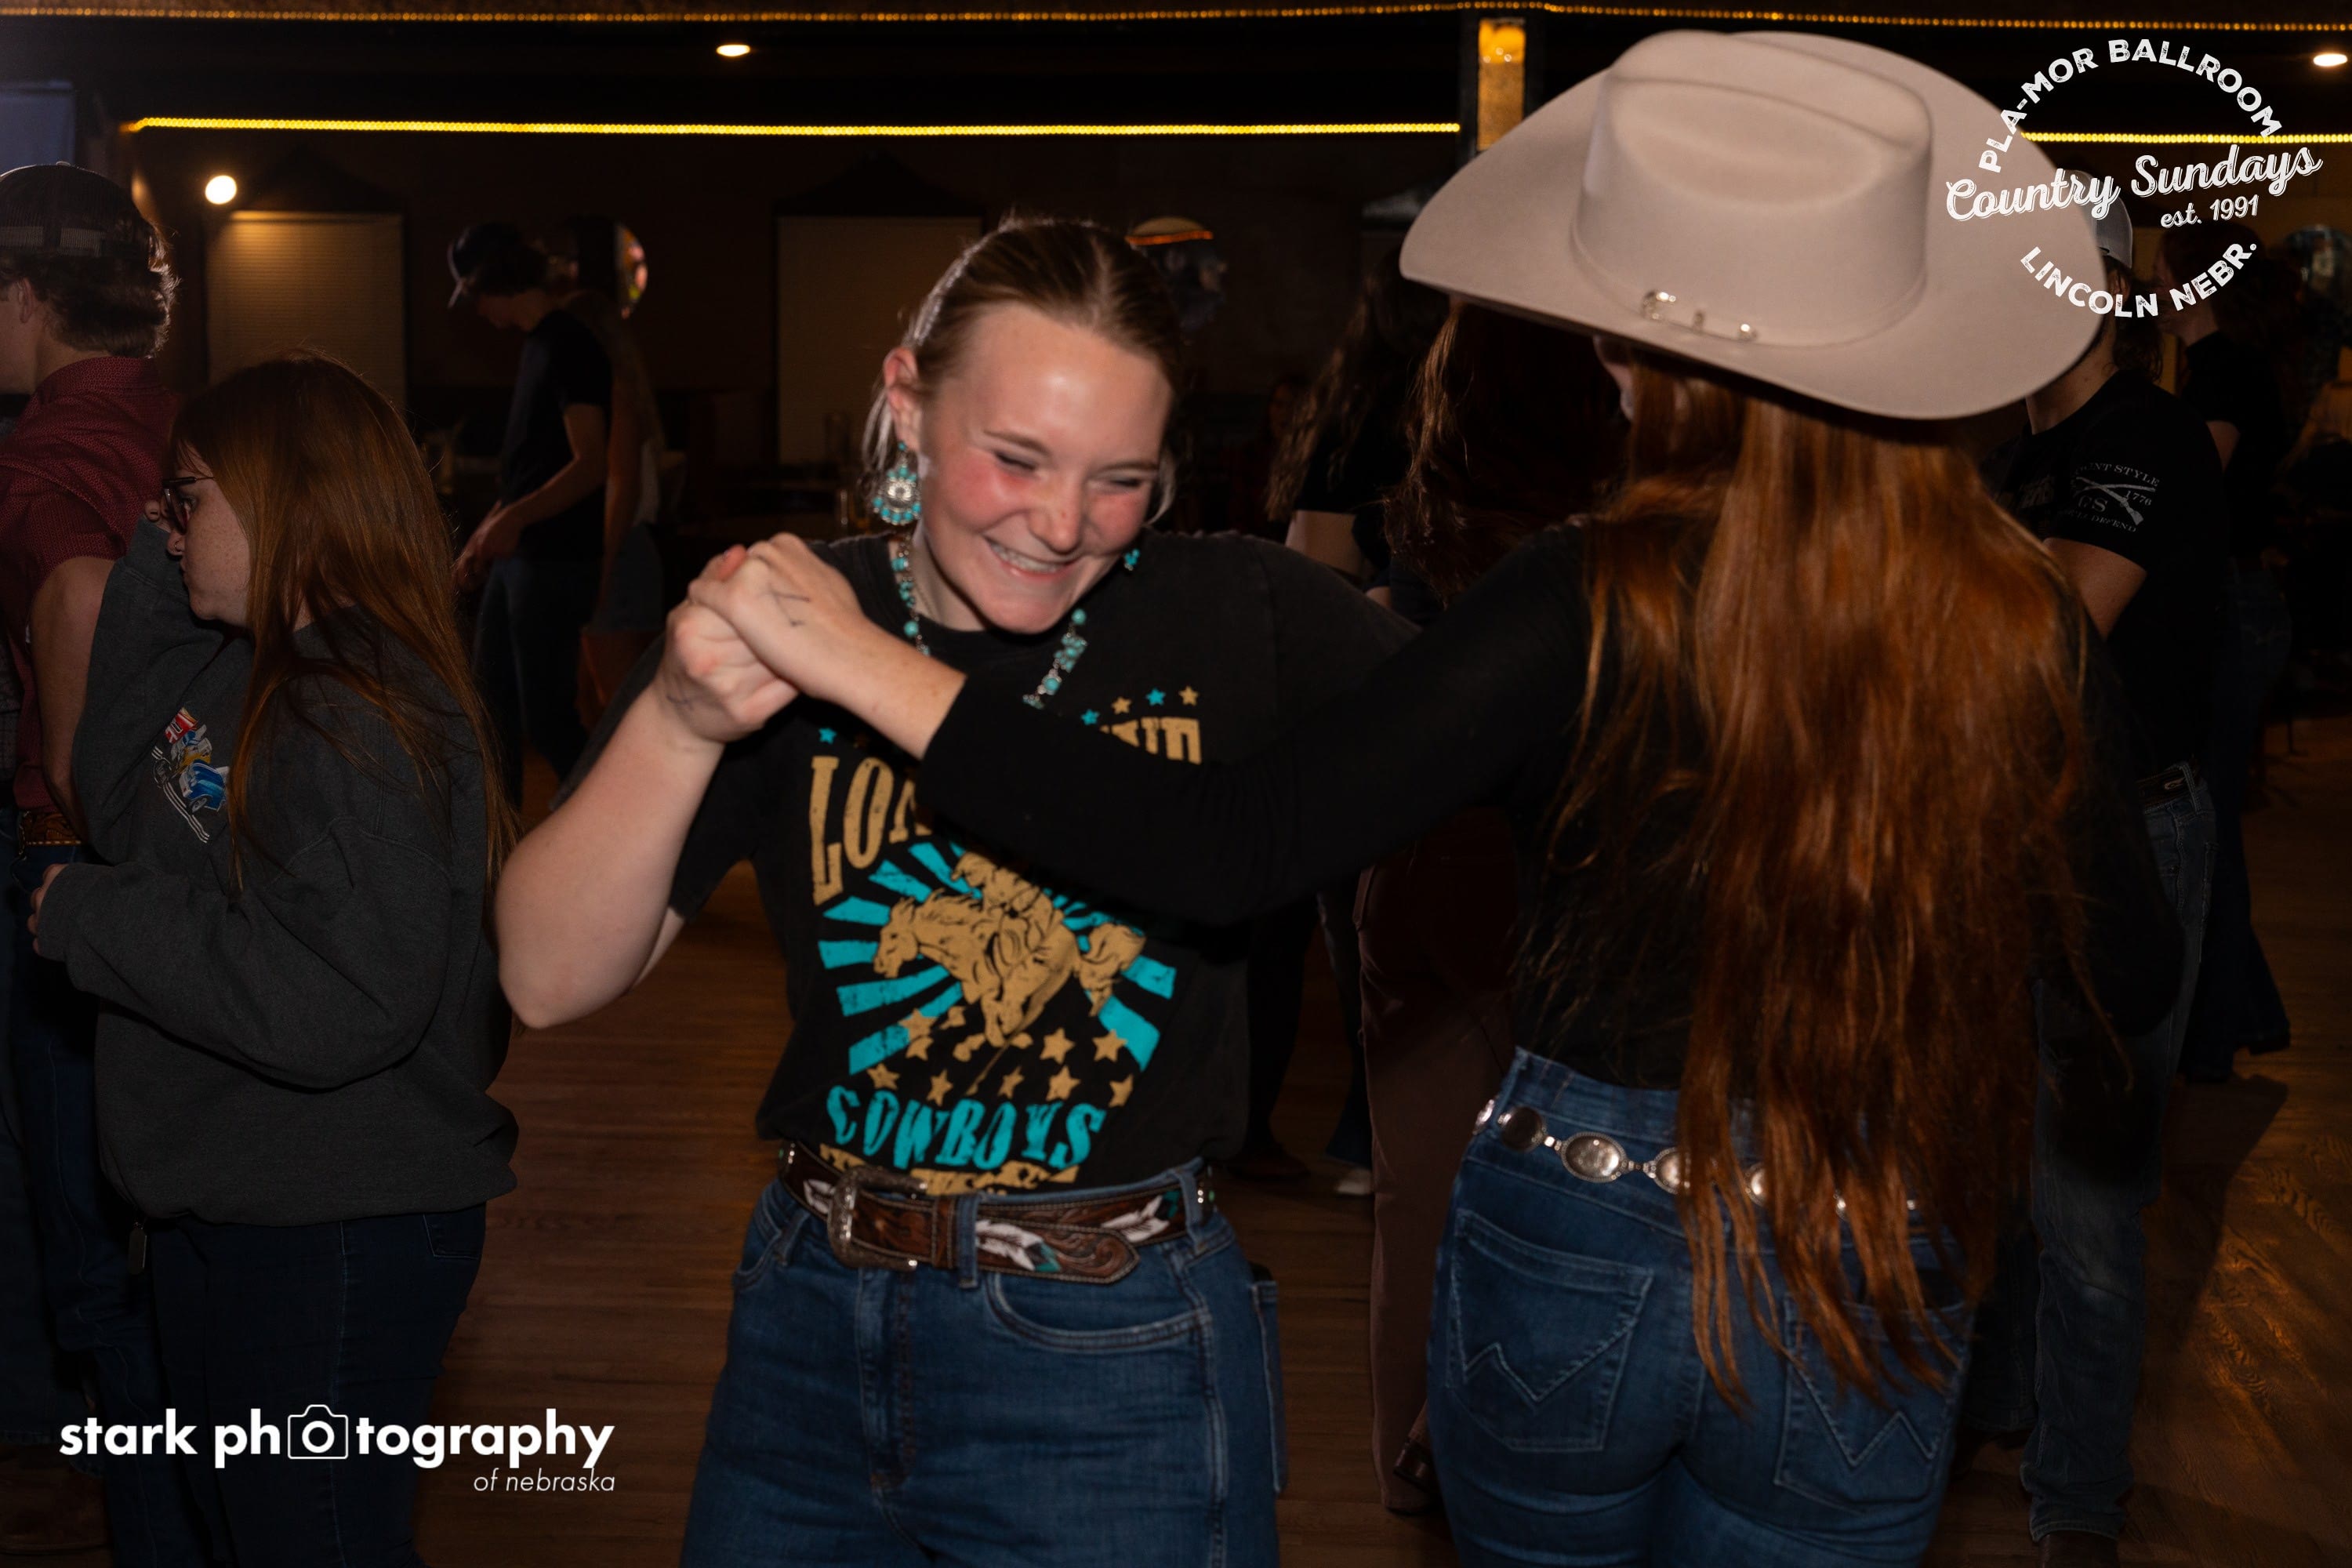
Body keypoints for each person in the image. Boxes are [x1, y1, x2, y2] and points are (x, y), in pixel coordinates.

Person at [675, 32, 2187, 1566]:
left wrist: (871, 667)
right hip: (1867, 1225)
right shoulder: (2017, 619)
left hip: (1581, 1225)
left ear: (1662, 362)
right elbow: (2121, 975)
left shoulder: (1586, 599)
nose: (1602, 356)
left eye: (1620, 327)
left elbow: (1230, 849)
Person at [494, 216, 1407, 1567]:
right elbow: (544, 978)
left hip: (1115, 1353)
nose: (1062, 523)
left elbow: (1517, 746)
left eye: (1122, 479)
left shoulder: (1242, 615)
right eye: (1017, 458)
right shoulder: (795, 609)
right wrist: (680, 722)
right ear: (908, 402)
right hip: (808, 1324)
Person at [24, 353, 517, 1565]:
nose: (167, 522)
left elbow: (339, 996)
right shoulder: (252, 671)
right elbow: (124, 797)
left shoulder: (352, 712)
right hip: (248, 1205)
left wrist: (95, 921)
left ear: (283, 498)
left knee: (313, 1542)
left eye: (188, 497)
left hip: (334, 1231)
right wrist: (158, 566)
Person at [1966, 198, 2227, 1567]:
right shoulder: (2017, 453)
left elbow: (2056, 624)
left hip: (2124, 842)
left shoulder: (2144, 435)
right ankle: (2004, 1408)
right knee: (2001, 1164)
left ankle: (2076, 1498)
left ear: (2102, 293)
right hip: (2015, 834)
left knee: (2085, 1195)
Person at [1356, 298, 1620, 1512]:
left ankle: (1414, 1468)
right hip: (1547, 859)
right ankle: (1492, 1450)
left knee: (1416, 1190)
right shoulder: (1606, 535)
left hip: (1411, 852)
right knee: (1565, 1183)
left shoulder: (1434, 501)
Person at [0, 160, 205, 1563]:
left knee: (94, 1263)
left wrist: (77, 823)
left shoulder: (43, 455)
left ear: (25, 300)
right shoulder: (194, 425)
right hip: (215, 861)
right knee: (167, 1237)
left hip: (84, 872)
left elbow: (74, 593)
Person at [2155, 224, 2298, 1081]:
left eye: (2162, 273)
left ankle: (2213, 1039)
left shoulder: (2224, 372)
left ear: (2196, 284)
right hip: (2244, 603)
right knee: (2209, 823)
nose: (2152, 289)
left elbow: (2190, 485)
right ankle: (2245, 1015)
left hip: (2233, 608)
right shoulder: (2225, 367)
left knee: (2205, 826)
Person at [448, 220, 613, 804]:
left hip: (554, 560)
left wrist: (512, 520)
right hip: (526, 559)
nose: (477, 311)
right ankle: (497, 844)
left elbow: (591, 464)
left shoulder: (570, 343)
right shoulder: (539, 346)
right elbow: (530, 471)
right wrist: (484, 533)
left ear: (493, 280)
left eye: (475, 295)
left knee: (546, 719)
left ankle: (614, 825)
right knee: (490, 707)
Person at [552, 214, 669, 711]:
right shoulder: (614, 394)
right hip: (617, 553)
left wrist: (599, 571)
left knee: (619, 708)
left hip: (617, 555)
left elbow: (621, 488)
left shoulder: (615, 393)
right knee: (593, 702)